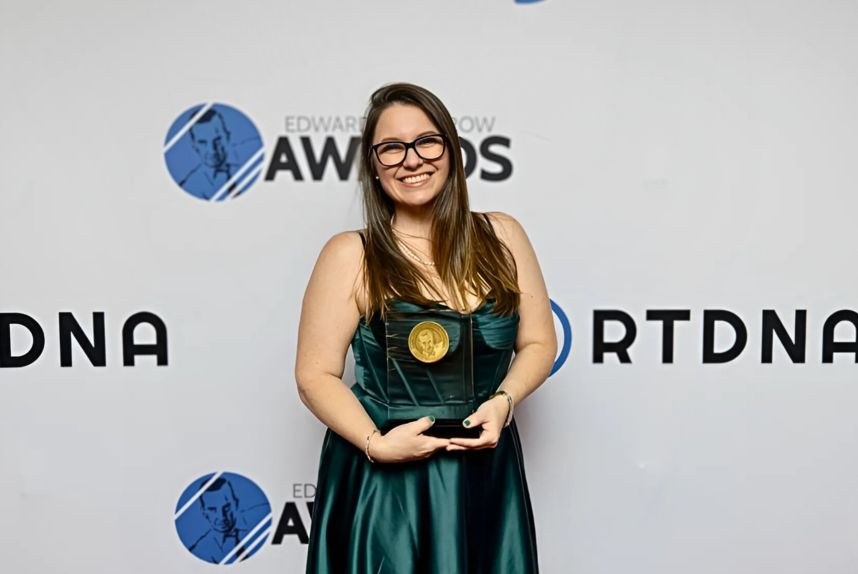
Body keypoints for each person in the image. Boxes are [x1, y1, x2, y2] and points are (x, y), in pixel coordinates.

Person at [296, 82, 557, 573]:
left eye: (426, 142)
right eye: (391, 148)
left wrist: (503, 403)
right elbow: (315, 376)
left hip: (483, 473)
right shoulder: (351, 254)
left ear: (452, 150)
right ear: (373, 165)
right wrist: (376, 444)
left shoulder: (503, 235)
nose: (411, 160)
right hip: (389, 482)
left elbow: (540, 342)